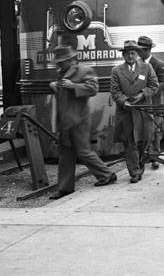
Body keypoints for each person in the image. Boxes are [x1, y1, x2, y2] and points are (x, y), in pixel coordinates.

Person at [48, 45, 116, 200]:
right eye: (58, 62)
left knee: (83, 151)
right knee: (65, 154)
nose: (59, 65)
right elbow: (63, 94)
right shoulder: (62, 73)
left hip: (79, 119)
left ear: (72, 60)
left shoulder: (85, 71)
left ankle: (107, 174)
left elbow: (93, 89)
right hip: (65, 120)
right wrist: (55, 87)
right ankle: (65, 188)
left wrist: (74, 86)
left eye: (62, 62)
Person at [110, 40, 159, 183]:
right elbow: (115, 90)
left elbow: (154, 85)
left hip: (143, 110)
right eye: (127, 54)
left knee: (144, 140)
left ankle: (141, 164)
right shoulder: (116, 71)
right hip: (126, 112)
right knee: (129, 141)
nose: (130, 56)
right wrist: (124, 101)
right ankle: (135, 172)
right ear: (123, 55)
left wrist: (143, 94)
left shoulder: (147, 67)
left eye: (133, 53)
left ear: (137, 54)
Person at [137, 35, 164, 169]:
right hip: (142, 102)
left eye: (141, 50)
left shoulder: (158, 64)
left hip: (155, 101)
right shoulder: (137, 64)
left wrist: (151, 90)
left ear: (148, 50)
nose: (139, 52)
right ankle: (144, 156)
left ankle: (155, 156)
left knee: (156, 129)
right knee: (143, 129)